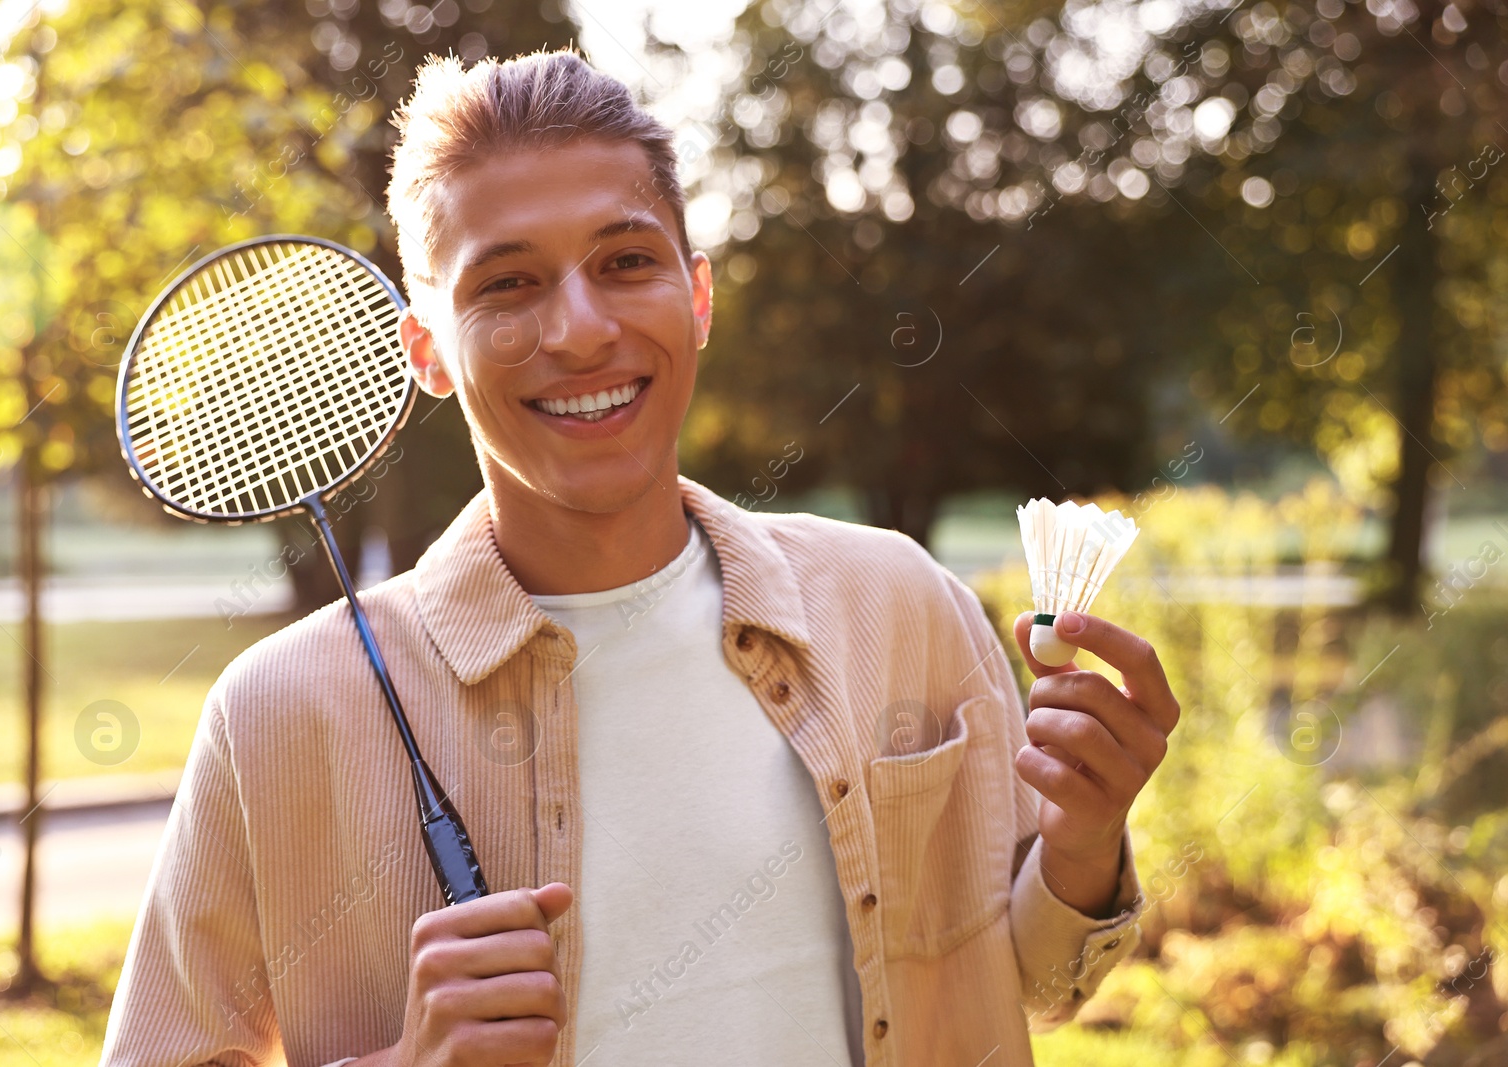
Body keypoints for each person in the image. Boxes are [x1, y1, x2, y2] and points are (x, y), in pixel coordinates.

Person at [101, 46, 1180, 1067]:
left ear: (697, 297)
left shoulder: (898, 604)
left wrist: (1084, 838)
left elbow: (1032, 978)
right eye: (507, 285)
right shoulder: (278, 714)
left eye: (624, 262)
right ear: (425, 349)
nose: (578, 330)